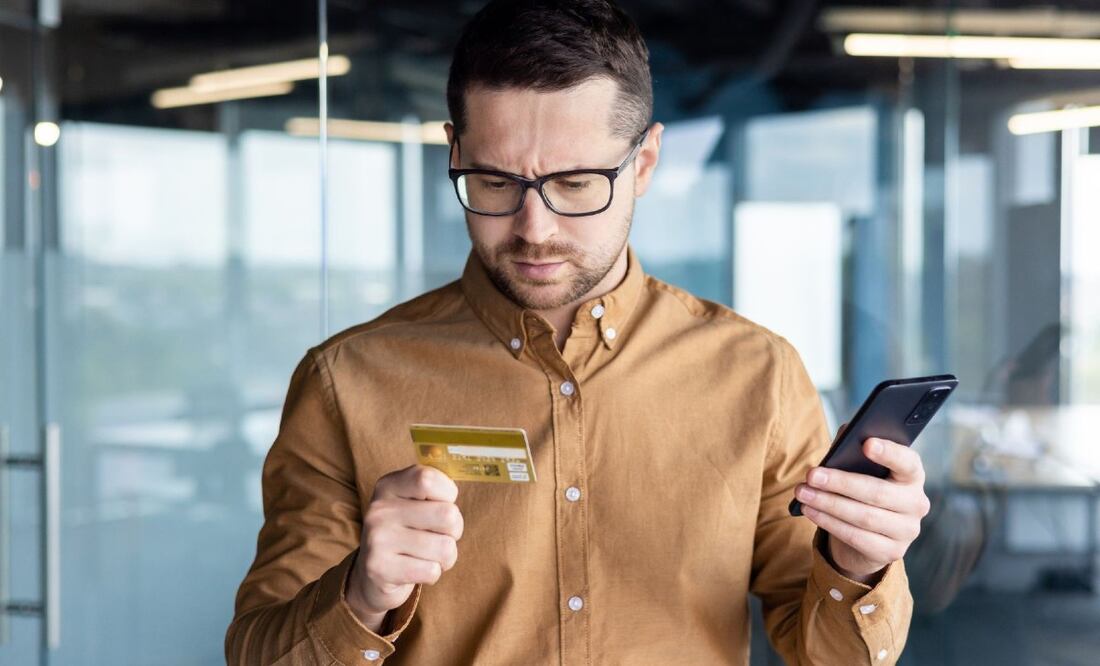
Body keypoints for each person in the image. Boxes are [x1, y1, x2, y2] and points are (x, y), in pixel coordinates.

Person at [226, 1, 929, 663]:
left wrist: (859, 566)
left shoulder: (759, 375)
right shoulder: (346, 381)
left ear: (644, 164)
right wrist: (362, 597)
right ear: (453, 153)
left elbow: (825, 653)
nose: (535, 229)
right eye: (495, 183)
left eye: (576, 183)